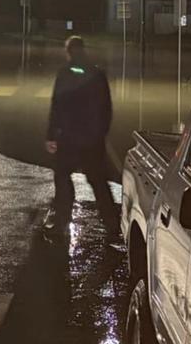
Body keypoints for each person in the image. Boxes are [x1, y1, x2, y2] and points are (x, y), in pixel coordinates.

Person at [45, 35, 119, 243]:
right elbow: (107, 108)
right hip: (92, 140)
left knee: (62, 178)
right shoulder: (97, 74)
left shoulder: (65, 73)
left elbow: (56, 106)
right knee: (98, 182)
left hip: (68, 138)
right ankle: (112, 225)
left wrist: (51, 135)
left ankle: (62, 224)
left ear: (68, 51)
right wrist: (101, 134)